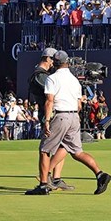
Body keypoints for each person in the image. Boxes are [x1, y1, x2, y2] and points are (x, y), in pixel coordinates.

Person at [26, 50, 111, 195]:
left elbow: (49, 101)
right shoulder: (74, 80)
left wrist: (47, 120)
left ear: (55, 62)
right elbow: (79, 105)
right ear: (67, 62)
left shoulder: (51, 78)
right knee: (77, 152)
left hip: (60, 115)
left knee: (45, 150)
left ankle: (43, 185)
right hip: (74, 117)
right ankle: (100, 174)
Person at [27, 47, 70, 191]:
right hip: (50, 114)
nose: (55, 63)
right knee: (55, 146)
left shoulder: (45, 75)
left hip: (54, 113)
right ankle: (46, 176)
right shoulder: (40, 75)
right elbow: (51, 94)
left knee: (60, 145)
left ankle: (55, 178)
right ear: (47, 58)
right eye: (53, 60)